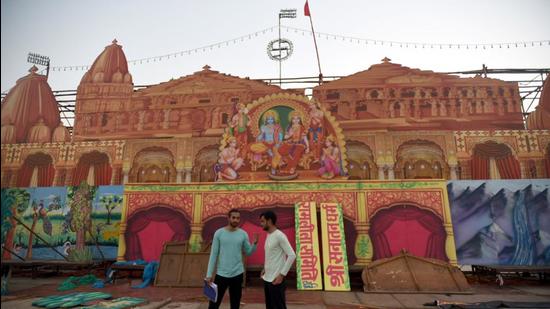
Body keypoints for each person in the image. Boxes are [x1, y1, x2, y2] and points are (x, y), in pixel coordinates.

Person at [205, 209, 259, 309]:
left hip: (237, 274)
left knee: (235, 304)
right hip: (221, 275)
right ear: (228, 218)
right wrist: (209, 275)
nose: (236, 220)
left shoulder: (243, 234)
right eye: (233, 217)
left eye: (238, 218)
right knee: (213, 304)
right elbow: (213, 255)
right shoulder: (219, 233)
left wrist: (254, 244)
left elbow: (248, 252)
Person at [259, 211, 296, 309]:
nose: (261, 224)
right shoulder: (269, 235)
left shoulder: (280, 235)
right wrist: (265, 268)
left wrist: (282, 275)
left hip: (276, 280)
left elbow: (292, 255)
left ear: (269, 221)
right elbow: (271, 255)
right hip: (267, 279)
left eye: (263, 221)